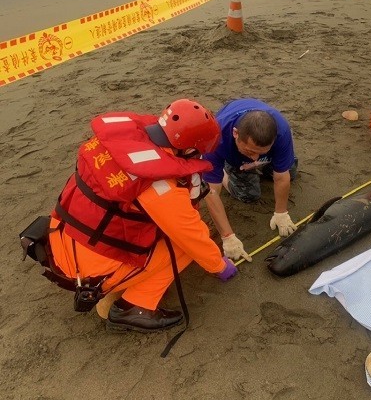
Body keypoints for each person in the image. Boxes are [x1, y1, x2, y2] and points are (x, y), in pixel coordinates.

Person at [45, 99, 238, 333]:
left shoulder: (119, 143)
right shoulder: (160, 184)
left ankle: (118, 280)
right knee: (186, 245)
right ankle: (135, 307)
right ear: (187, 150)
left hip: (60, 237)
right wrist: (220, 266)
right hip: (87, 268)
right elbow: (191, 235)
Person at [202, 98, 298, 262]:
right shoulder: (215, 138)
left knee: (291, 172)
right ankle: (225, 171)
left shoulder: (281, 130)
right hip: (233, 157)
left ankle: (258, 155)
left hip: (265, 154)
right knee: (248, 194)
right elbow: (211, 191)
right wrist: (228, 236)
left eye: (261, 151)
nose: (255, 157)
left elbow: (282, 177)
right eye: (250, 151)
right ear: (235, 133)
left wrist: (281, 212)